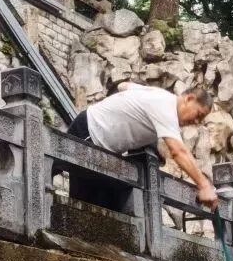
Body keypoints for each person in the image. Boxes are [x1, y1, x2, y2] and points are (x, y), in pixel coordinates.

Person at [66, 84, 218, 210]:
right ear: (189, 98)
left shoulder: (159, 96)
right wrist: (204, 185)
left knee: (104, 207)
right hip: (89, 131)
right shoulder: (166, 107)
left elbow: (123, 86)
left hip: (104, 149)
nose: (197, 122)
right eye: (199, 115)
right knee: (84, 208)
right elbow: (178, 151)